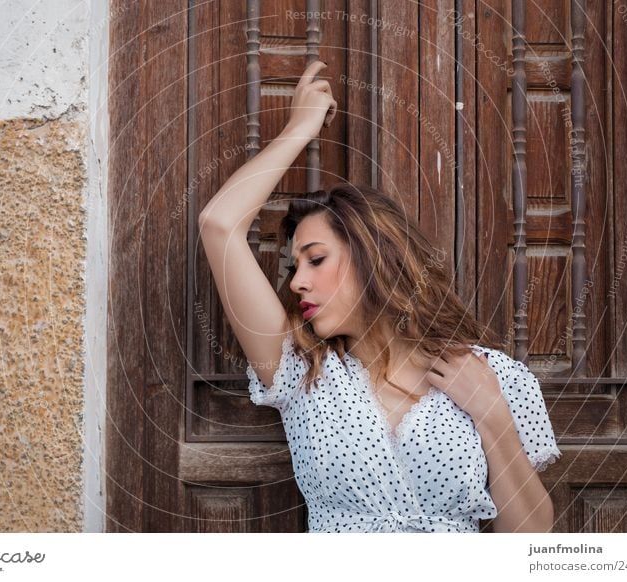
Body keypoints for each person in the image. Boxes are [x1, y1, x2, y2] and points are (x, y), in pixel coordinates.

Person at [198, 60, 561, 533]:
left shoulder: (496, 377)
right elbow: (219, 226)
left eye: (316, 259)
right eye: (294, 266)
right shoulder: (299, 370)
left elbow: (530, 540)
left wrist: (492, 416)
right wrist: (299, 128)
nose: (296, 282)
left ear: (374, 258)